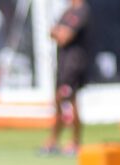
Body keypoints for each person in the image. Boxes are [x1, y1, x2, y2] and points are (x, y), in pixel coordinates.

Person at [41, 0, 90, 156]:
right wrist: (58, 32)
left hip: (74, 64)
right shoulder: (68, 11)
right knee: (58, 101)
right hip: (63, 63)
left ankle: (75, 142)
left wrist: (58, 32)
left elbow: (64, 36)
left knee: (71, 100)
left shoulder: (82, 11)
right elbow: (52, 32)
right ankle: (54, 140)